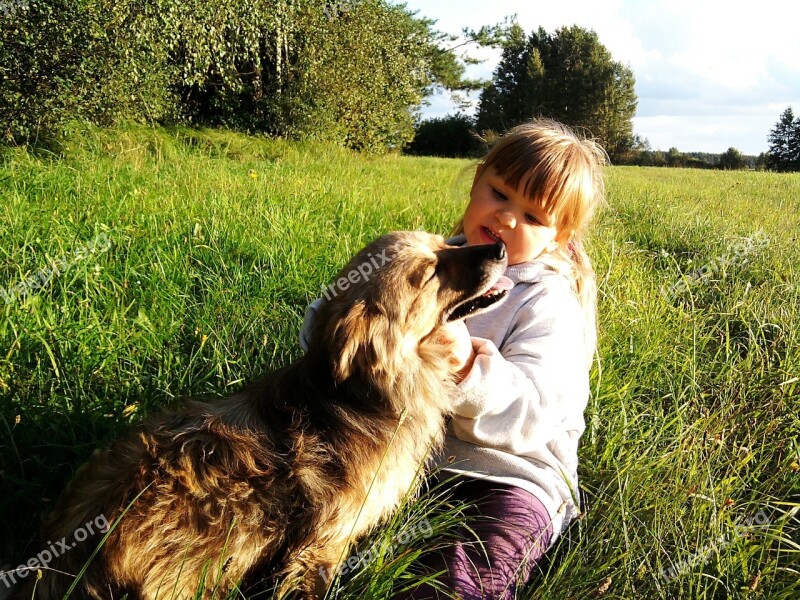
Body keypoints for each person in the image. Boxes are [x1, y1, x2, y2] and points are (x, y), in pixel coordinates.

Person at [300, 119, 606, 599]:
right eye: (500, 193)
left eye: (533, 217)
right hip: (405, 462)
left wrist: (468, 367)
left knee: (461, 573)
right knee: (302, 521)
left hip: (509, 476)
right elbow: (334, 312)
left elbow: (535, 416)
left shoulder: (550, 305)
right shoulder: (430, 257)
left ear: (560, 237)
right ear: (477, 179)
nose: (507, 218)